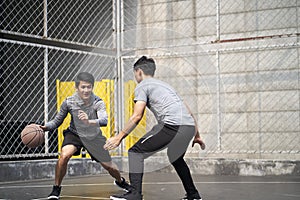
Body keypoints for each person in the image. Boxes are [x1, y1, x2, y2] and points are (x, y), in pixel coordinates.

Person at [104, 56, 206, 200]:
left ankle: (135, 194)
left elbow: (137, 116)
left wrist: (119, 137)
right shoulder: (166, 86)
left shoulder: (142, 86)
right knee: (176, 158)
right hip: (188, 127)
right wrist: (197, 135)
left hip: (173, 126)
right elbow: (188, 112)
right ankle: (193, 195)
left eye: (135, 74)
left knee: (135, 152)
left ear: (139, 72)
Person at [41, 72, 130, 200]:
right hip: (75, 134)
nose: (86, 90)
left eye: (89, 87)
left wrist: (89, 121)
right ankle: (56, 189)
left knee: (110, 166)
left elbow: (104, 120)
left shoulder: (97, 102)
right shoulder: (69, 102)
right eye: (83, 87)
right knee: (64, 155)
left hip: (93, 136)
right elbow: (57, 121)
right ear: (77, 88)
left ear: (92, 87)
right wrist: (45, 128)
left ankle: (120, 181)